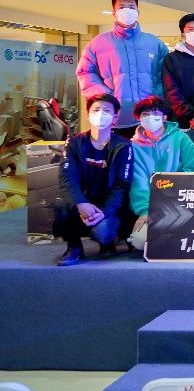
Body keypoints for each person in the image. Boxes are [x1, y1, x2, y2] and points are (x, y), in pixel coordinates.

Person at [54, 94, 134, 266]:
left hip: (108, 208)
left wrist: (104, 211)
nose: (101, 114)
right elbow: (66, 177)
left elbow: (122, 186)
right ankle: (74, 247)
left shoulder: (123, 146)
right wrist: (81, 203)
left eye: (107, 111)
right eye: (96, 110)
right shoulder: (74, 142)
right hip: (83, 203)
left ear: (115, 117)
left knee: (103, 232)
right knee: (61, 205)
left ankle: (108, 244)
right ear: (88, 114)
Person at [77, 0, 169, 138]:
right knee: (115, 152)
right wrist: (106, 96)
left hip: (149, 118)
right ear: (114, 12)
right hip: (115, 118)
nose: (127, 11)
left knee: (147, 153)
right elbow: (85, 72)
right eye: (121, 7)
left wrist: (156, 97)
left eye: (131, 7)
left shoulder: (154, 43)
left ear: (138, 11)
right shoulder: (98, 44)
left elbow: (166, 75)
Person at [128, 96, 194, 251]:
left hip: (180, 203)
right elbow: (138, 183)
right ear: (139, 118)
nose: (150, 118)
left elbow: (192, 168)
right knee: (140, 242)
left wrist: (173, 200)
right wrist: (145, 211)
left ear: (164, 117)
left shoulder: (181, 138)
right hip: (150, 208)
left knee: (189, 241)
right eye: (145, 114)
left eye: (155, 113)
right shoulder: (133, 146)